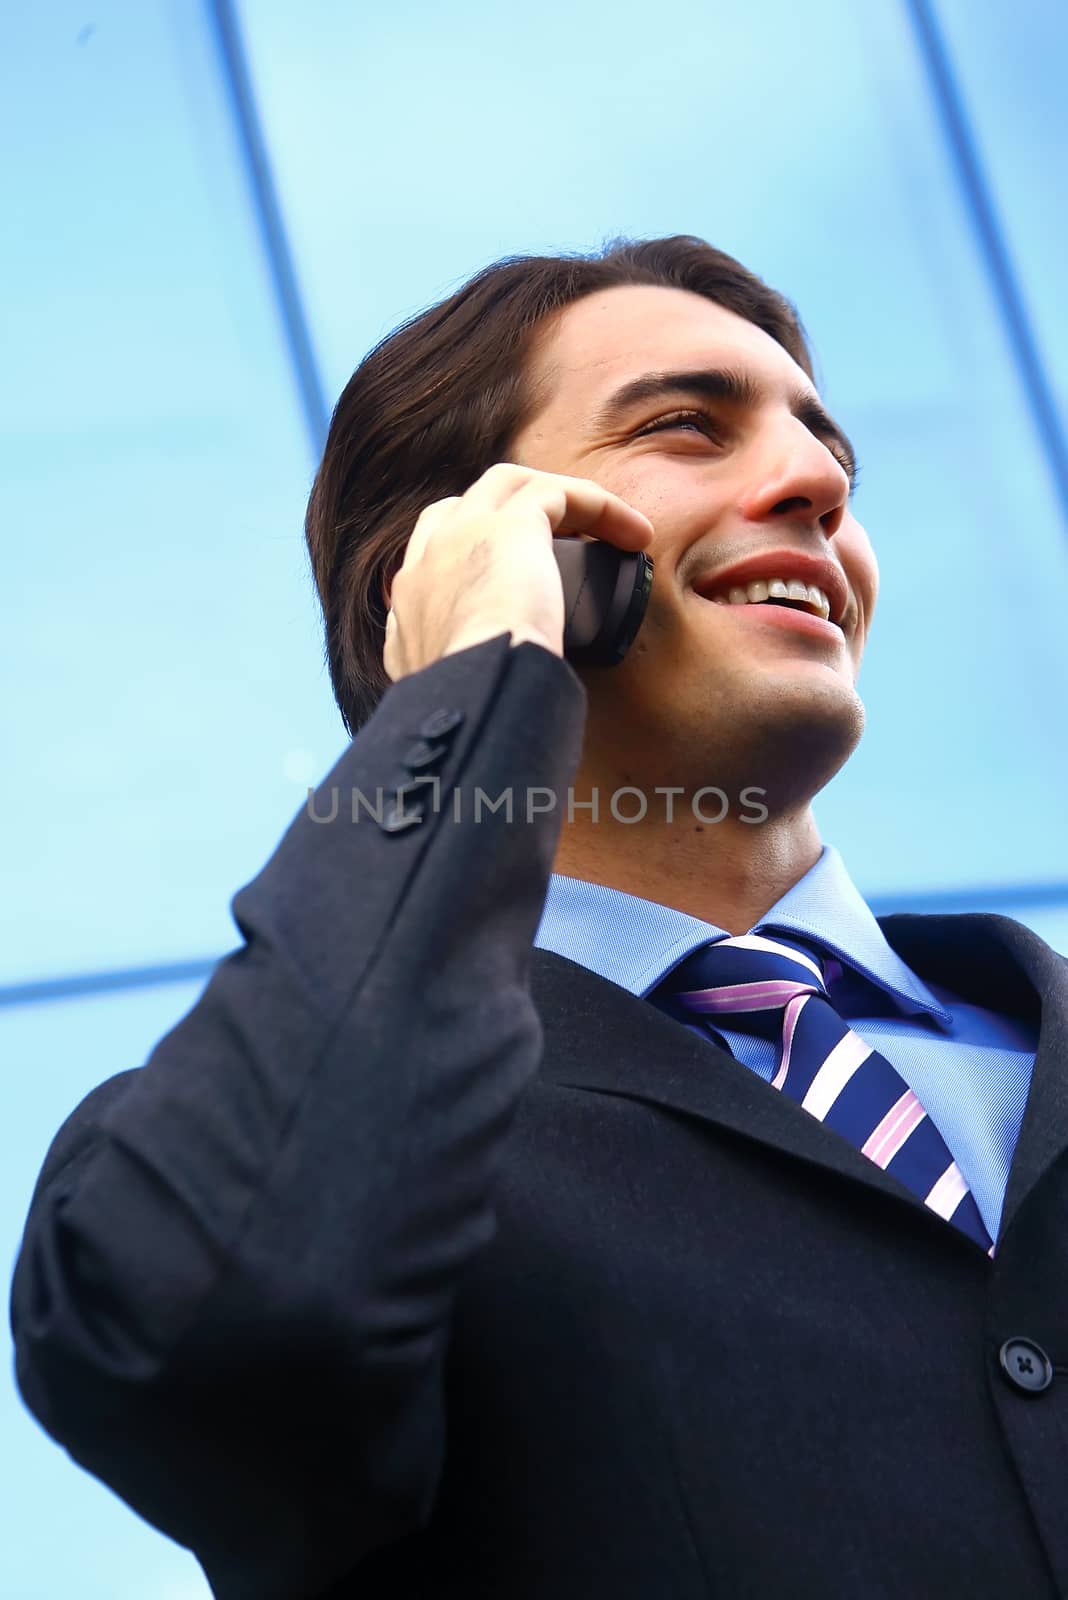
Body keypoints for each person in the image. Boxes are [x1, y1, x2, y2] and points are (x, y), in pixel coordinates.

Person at [11, 236, 1068, 1600]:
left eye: (832, 460)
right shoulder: (325, 1137)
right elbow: (211, 1336)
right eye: (687, 427)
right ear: (468, 550)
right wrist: (481, 678)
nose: (816, 486)